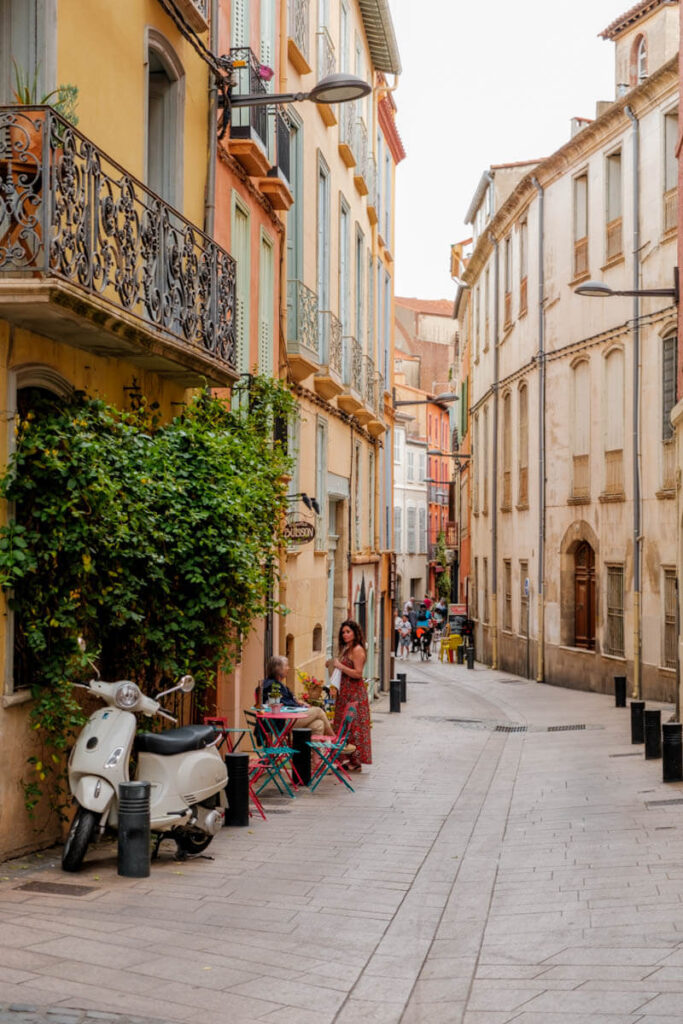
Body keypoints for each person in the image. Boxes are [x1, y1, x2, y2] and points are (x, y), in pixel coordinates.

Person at [327, 619, 372, 771]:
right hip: (344, 693)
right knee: (341, 725)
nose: (345, 635)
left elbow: (358, 673)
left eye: (348, 632)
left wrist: (340, 666)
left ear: (355, 633)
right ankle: (343, 759)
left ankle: (355, 761)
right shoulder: (347, 648)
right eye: (343, 632)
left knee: (354, 728)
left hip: (355, 694)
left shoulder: (358, 650)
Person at [262, 655, 334, 737]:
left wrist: (299, 702)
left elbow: (288, 700)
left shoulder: (276, 684)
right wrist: (300, 705)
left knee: (318, 725)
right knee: (318, 711)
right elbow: (285, 704)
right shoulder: (273, 685)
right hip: (283, 721)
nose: (288, 668)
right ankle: (334, 739)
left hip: (287, 719)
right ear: (278, 669)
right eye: (286, 666)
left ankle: (313, 750)